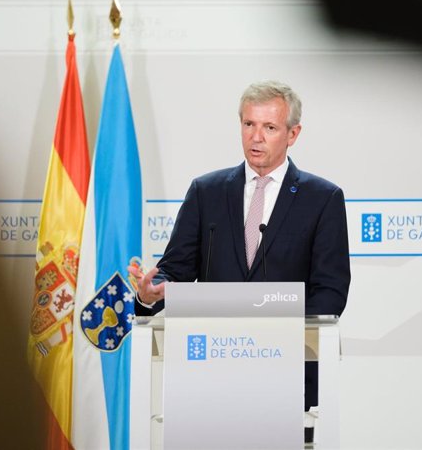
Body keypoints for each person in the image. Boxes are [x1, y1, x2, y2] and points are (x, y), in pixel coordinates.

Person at [129, 80, 351, 440]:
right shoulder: (207, 192)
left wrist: (267, 325)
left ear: (293, 134)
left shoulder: (322, 198)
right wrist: (151, 294)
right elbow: (176, 271)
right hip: (209, 376)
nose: (256, 137)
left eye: (269, 127)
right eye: (249, 124)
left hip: (287, 379)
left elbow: (331, 292)